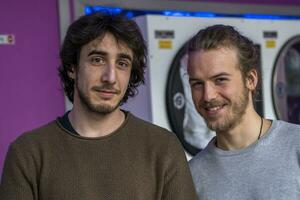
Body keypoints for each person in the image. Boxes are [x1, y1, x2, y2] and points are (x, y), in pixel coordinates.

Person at [0, 12, 197, 200]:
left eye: (122, 63)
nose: (110, 77)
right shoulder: (28, 153)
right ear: (72, 67)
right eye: (97, 60)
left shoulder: (164, 148)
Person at [187, 24, 300, 200]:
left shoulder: (296, 145)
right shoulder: (192, 176)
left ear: (250, 80)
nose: (208, 96)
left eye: (220, 80)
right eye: (197, 84)